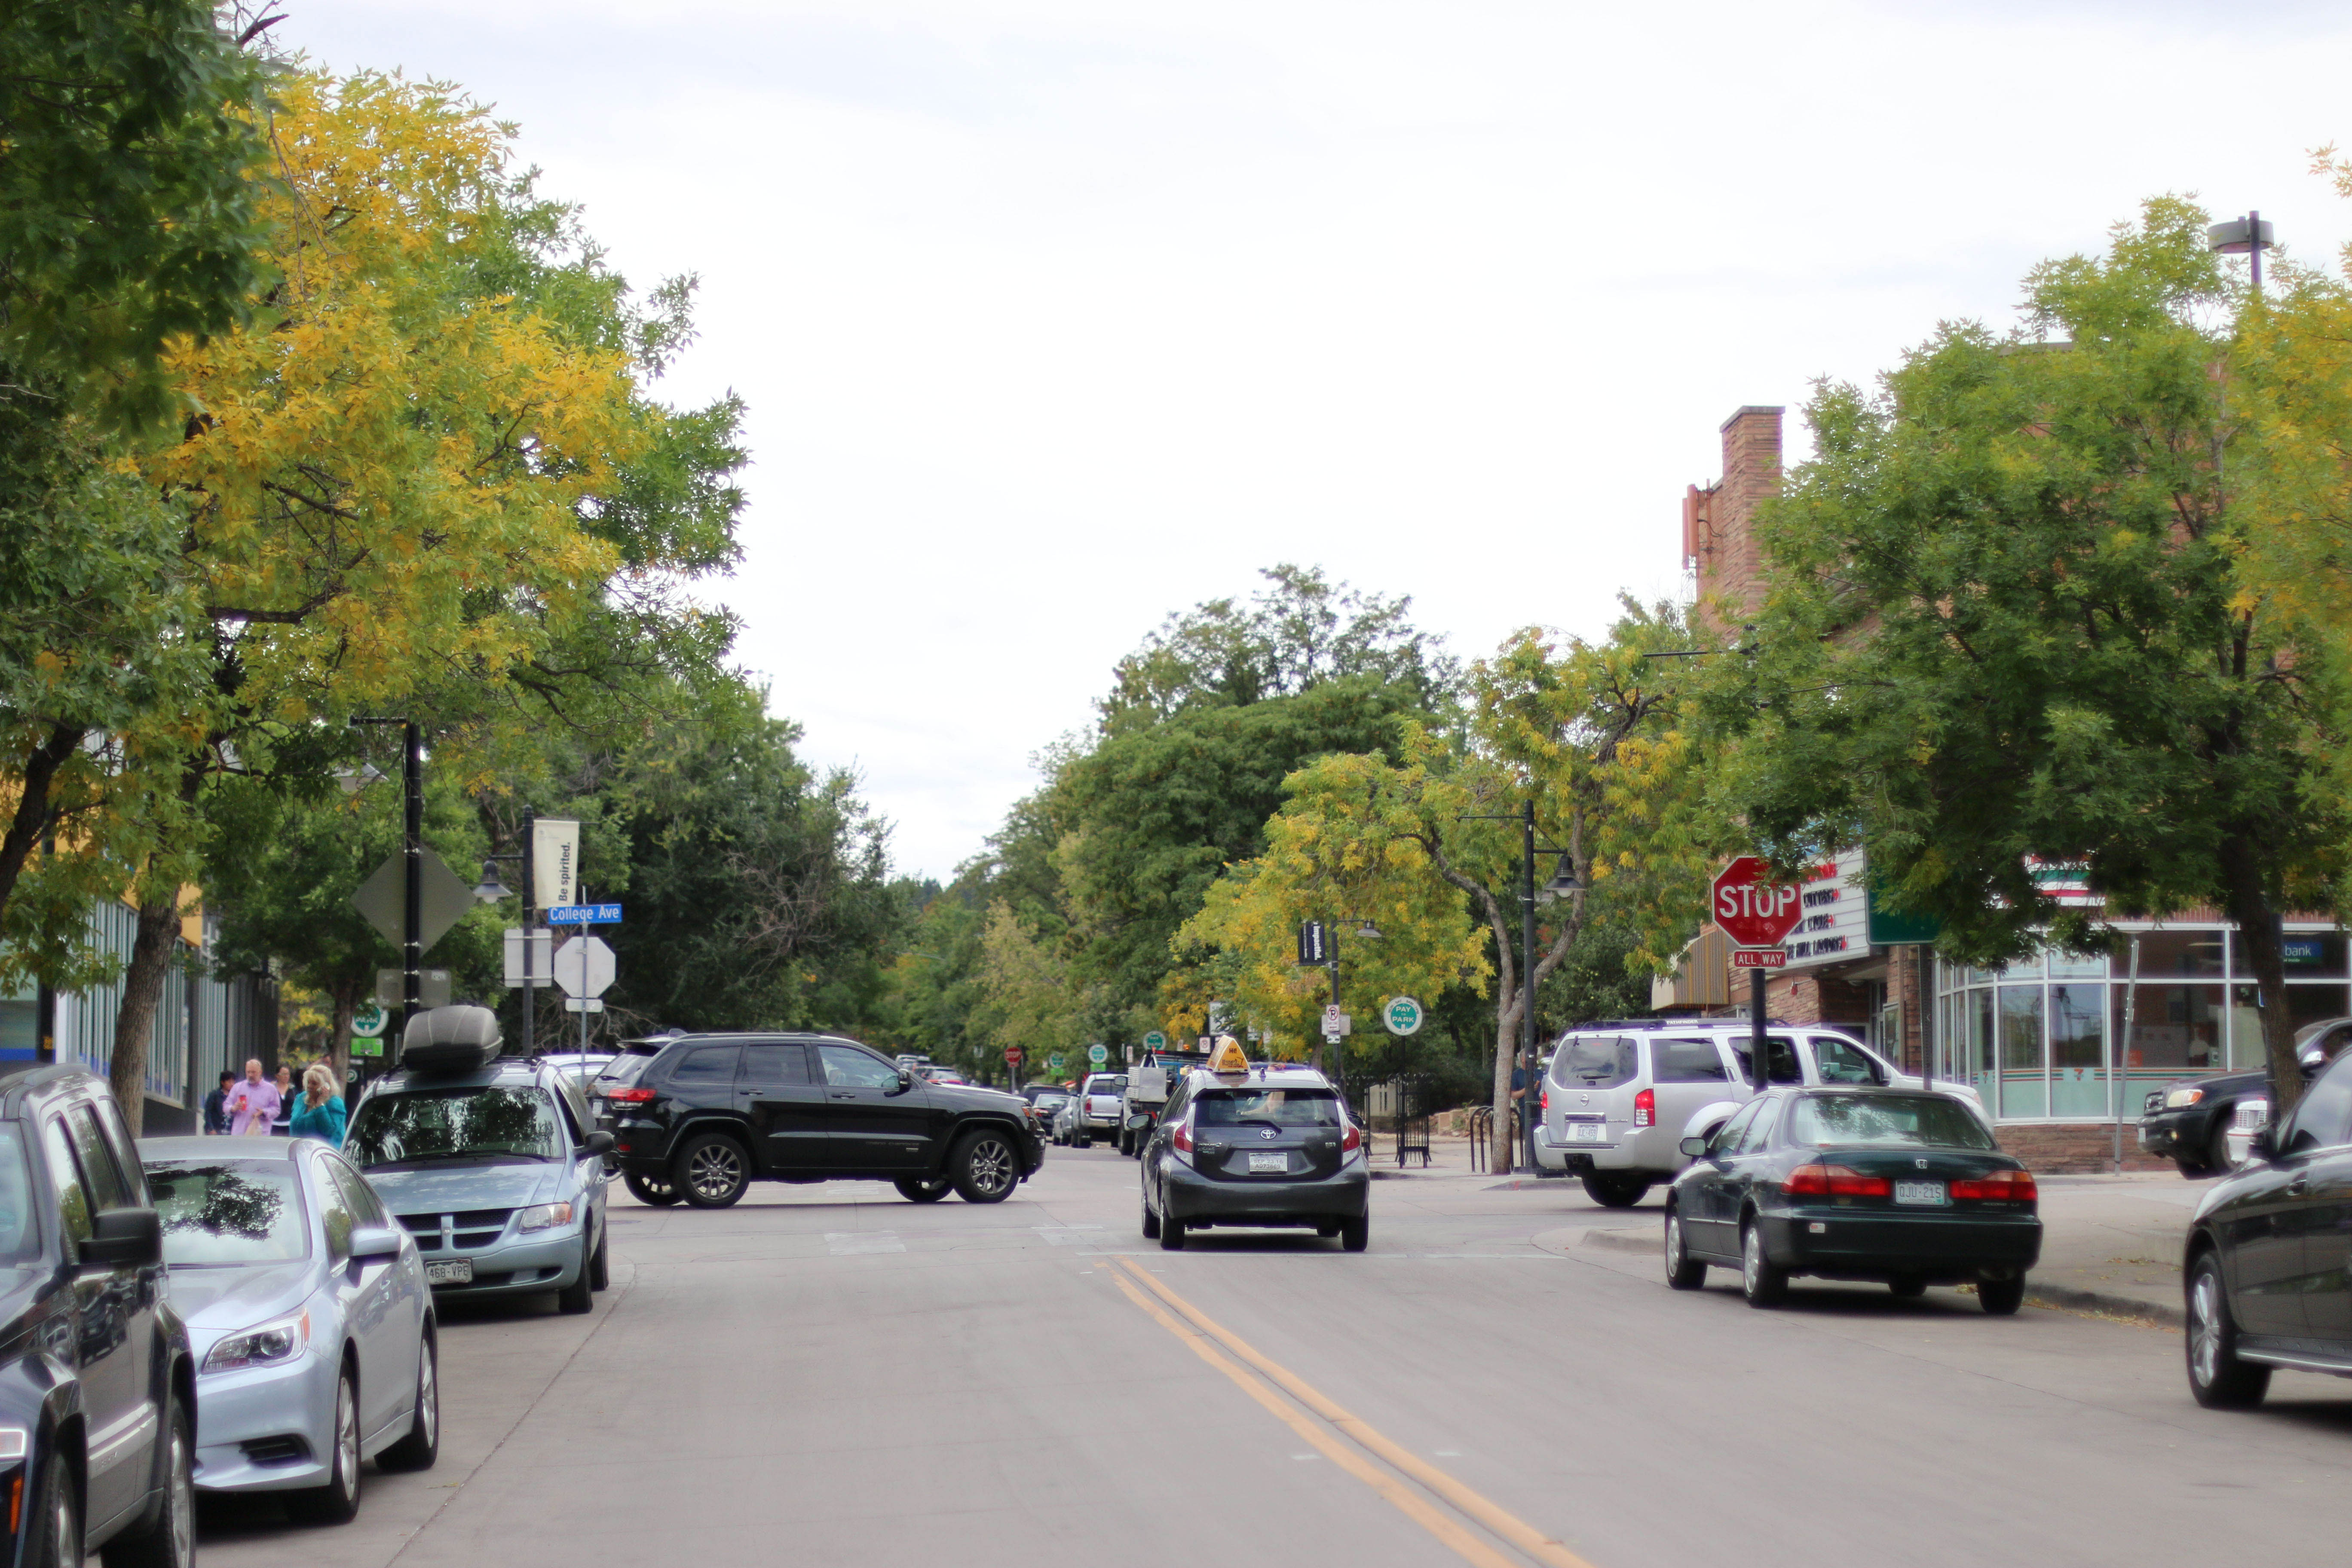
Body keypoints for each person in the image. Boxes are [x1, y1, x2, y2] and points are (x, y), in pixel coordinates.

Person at [290, 1064, 346, 1145]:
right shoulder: (301, 1098)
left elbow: (330, 1130)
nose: (309, 1086)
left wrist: (320, 1105)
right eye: (308, 1082)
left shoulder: (335, 1103)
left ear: (326, 1086)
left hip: (323, 1153)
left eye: (314, 1084)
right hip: (298, 1150)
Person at [227, 1060, 281, 1136]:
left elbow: (276, 1110)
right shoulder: (238, 1087)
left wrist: (264, 1112)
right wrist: (233, 1108)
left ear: (260, 1072)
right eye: (248, 1072)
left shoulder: (271, 1089)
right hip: (240, 1134)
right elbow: (226, 1106)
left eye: (253, 1072)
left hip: (260, 1134)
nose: (251, 1075)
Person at [201, 1072, 234, 1136]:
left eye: (233, 1082)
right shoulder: (214, 1095)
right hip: (216, 1129)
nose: (232, 1084)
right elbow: (208, 1113)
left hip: (229, 1131)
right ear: (222, 1082)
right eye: (229, 1082)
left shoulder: (234, 1096)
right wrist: (211, 1129)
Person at [272, 1065, 295, 1136]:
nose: (286, 1076)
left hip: (289, 1124)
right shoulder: (272, 1088)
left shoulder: (293, 1089)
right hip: (274, 1123)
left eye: (288, 1074)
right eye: (284, 1074)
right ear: (277, 1076)